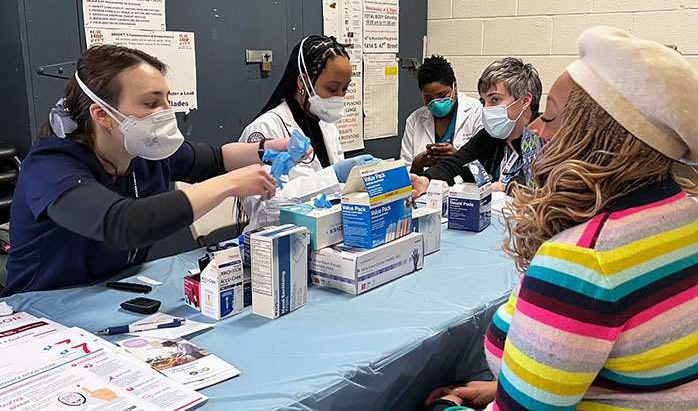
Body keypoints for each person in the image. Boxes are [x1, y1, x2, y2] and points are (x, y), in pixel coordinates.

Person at [427, 26, 698, 410]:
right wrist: (505, 387)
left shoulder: (582, 260)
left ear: (593, 137)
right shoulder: (686, 214)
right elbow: (633, 364)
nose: (536, 129)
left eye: (550, 119)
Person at [2, 45, 305, 297]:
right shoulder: (51, 165)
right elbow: (119, 224)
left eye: (166, 99)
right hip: (42, 310)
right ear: (102, 115)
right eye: (151, 102)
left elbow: (215, 159)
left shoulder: (146, 152)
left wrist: (266, 149)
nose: (166, 111)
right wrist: (228, 185)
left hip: (112, 296)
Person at [239, 35, 378, 230]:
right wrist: (333, 176)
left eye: (345, 89)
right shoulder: (265, 129)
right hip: (278, 242)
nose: (339, 97)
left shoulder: (327, 127)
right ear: (303, 82)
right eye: (332, 88)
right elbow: (267, 208)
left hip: (322, 235)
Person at [410, 58, 543, 198]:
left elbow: (542, 185)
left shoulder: (547, 139)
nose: (485, 108)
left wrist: (505, 186)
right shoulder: (490, 137)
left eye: (495, 99)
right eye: (483, 101)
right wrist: (425, 181)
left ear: (525, 100)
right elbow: (455, 164)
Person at [400, 55, 482, 173]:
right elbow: (405, 172)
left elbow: (485, 168)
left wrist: (458, 157)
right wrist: (418, 163)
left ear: (455, 87)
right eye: (428, 98)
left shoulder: (476, 111)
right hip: (426, 188)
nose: (436, 103)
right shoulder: (414, 120)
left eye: (442, 96)